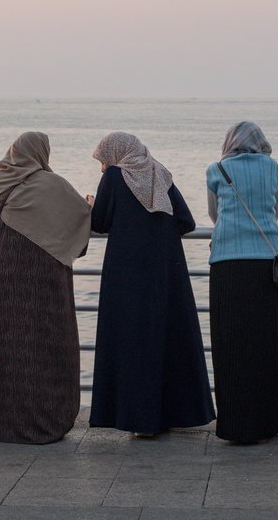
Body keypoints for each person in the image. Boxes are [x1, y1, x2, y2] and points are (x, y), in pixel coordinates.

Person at [87, 132, 215, 436]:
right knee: (166, 335)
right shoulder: (160, 173)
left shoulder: (115, 176)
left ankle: (139, 418)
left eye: (103, 159)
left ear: (115, 154)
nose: (102, 166)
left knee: (132, 338)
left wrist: (92, 204)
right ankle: (173, 414)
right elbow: (186, 221)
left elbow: (101, 221)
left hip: (127, 270)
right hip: (166, 269)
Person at [0, 132, 92, 444]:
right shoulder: (55, 186)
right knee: (44, 344)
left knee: (2, 348)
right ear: (43, 153)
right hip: (43, 276)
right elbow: (81, 225)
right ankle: (44, 418)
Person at [206, 122, 278, 442]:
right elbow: (274, 211)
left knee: (231, 341)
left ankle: (235, 422)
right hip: (267, 263)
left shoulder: (217, 168)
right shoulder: (271, 167)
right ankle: (276, 416)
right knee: (269, 340)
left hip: (227, 264)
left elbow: (214, 215)